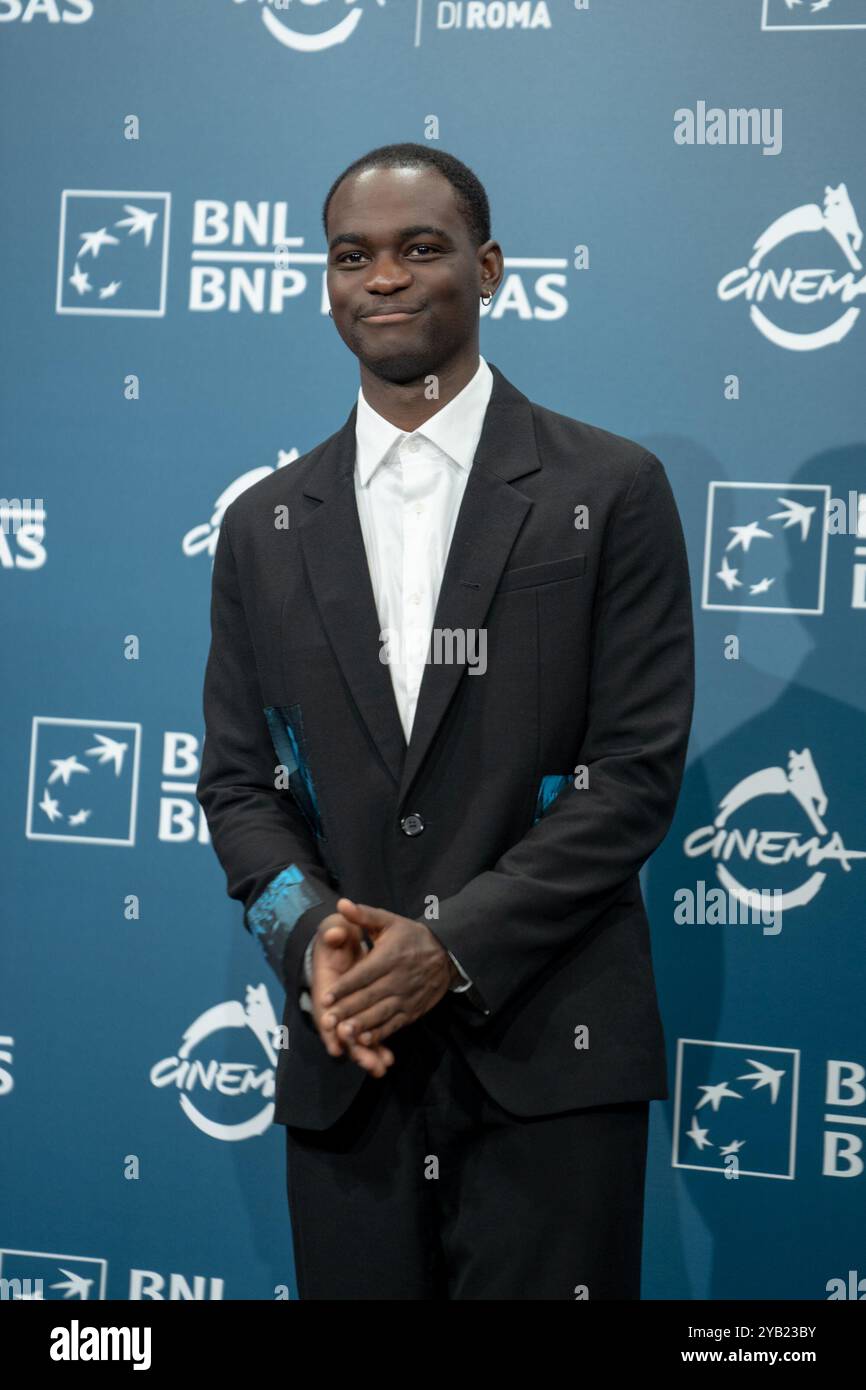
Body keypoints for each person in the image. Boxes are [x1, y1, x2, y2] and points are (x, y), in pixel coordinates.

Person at [196, 142, 695, 1300]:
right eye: (351, 255)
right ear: (324, 282)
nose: (383, 278)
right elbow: (236, 785)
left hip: (546, 1057)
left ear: (489, 268)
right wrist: (310, 934)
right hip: (348, 1060)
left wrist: (453, 946)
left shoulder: (608, 488)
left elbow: (628, 777)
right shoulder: (261, 523)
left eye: (420, 248)